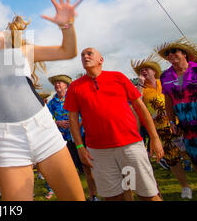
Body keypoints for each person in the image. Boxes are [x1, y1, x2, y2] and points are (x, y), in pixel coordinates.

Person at [0, 0, 86, 201]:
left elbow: (67, 51)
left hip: (42, 129)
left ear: (8, 38)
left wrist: (66, 26)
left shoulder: (23, 51)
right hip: (6, 139)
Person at [64, 47, 164, 201]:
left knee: (148, 193)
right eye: (82, 55)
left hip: (130, 145)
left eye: (89, 53)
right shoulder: (75, 87)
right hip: (98, 151)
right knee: (113, 197)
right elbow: (73, 120)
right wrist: (79, 147)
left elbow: (140, 108)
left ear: (101, 60)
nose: (85, 56)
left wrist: (155, 138)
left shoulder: (118, 77)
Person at [131, 55, 193, 199]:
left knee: (191, 152)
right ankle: (185, 186)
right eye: (141, 71)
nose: (143, 72)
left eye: (146, 69)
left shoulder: (164, 82)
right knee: (172, 158)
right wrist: (139, 85)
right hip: (160, 130)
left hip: (179, 123)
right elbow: (137, 105)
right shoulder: (141, 90)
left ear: (154, 71)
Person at [156, 38, 197, 189]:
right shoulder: (166, 76)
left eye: (173, 51)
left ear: (184, 53)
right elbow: (168, 101)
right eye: (167, 54)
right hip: (186, 124)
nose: (170, 55)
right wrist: (171, 122)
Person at [46, 74, 99, 201]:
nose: (57, 85)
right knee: (69, 168)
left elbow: (84, 113)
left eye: (60, 83)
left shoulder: (74, 97)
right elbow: (46, 119)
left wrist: (75, 125)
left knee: (87, 166)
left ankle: (93, 195)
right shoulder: (52, 103)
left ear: (66, 85)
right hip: (64, 139)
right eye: (56, 83)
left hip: (79, 136)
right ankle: (75, 195)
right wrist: (58, 123)